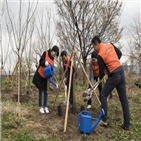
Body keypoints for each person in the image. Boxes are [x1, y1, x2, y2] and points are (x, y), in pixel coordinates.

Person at [91, 36, 130, 130]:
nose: (94, 49)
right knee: (124, 99)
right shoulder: (110, 45)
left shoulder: (99, 54)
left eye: (93, 47)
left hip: (114, 75)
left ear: (96, 44)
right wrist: (113, 62)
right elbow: (119, 53)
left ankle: (104, 120)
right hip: (121, 71)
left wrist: (105, 71)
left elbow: (100, 74)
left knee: (103, 95)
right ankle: (126, 124)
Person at [33, 46, 59, 114]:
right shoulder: (46, 53)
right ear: (52, 50)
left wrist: (50, 79)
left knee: (45, 92)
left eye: (56, 54)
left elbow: (51, 70)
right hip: (40, 74)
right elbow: (40, 61)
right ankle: (40, 107)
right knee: (40, 90)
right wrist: (45, 62)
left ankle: (45, 106)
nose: (54, 55)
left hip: (45, 76)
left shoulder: (53, 60)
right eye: (54, 53)